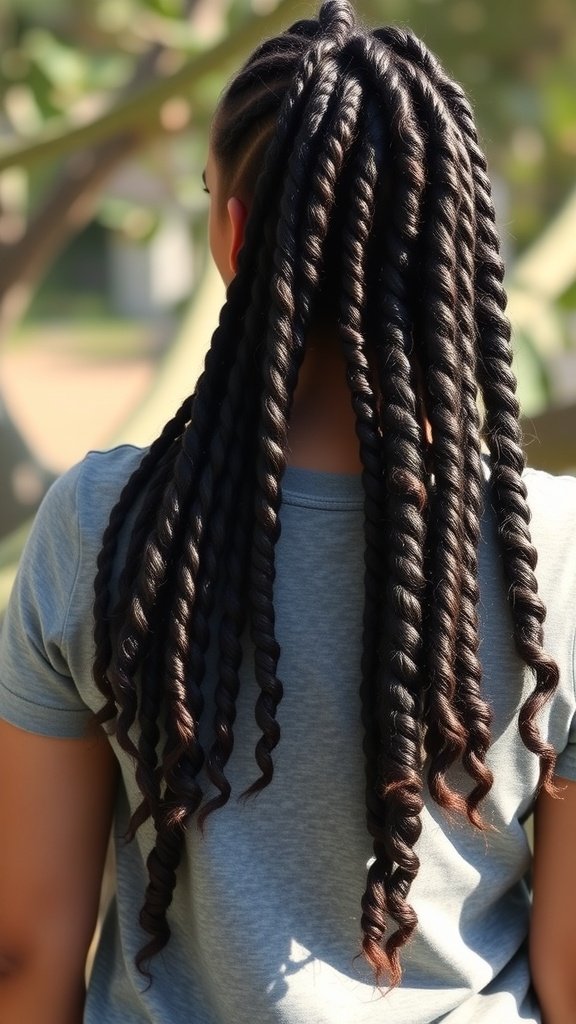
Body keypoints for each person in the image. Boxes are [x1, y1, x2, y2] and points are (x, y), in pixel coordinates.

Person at [1, 2, 575, 1021]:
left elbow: (24, 947)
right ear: (451, 250)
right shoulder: (562, 553)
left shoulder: (99, 525)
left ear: (233, 234)